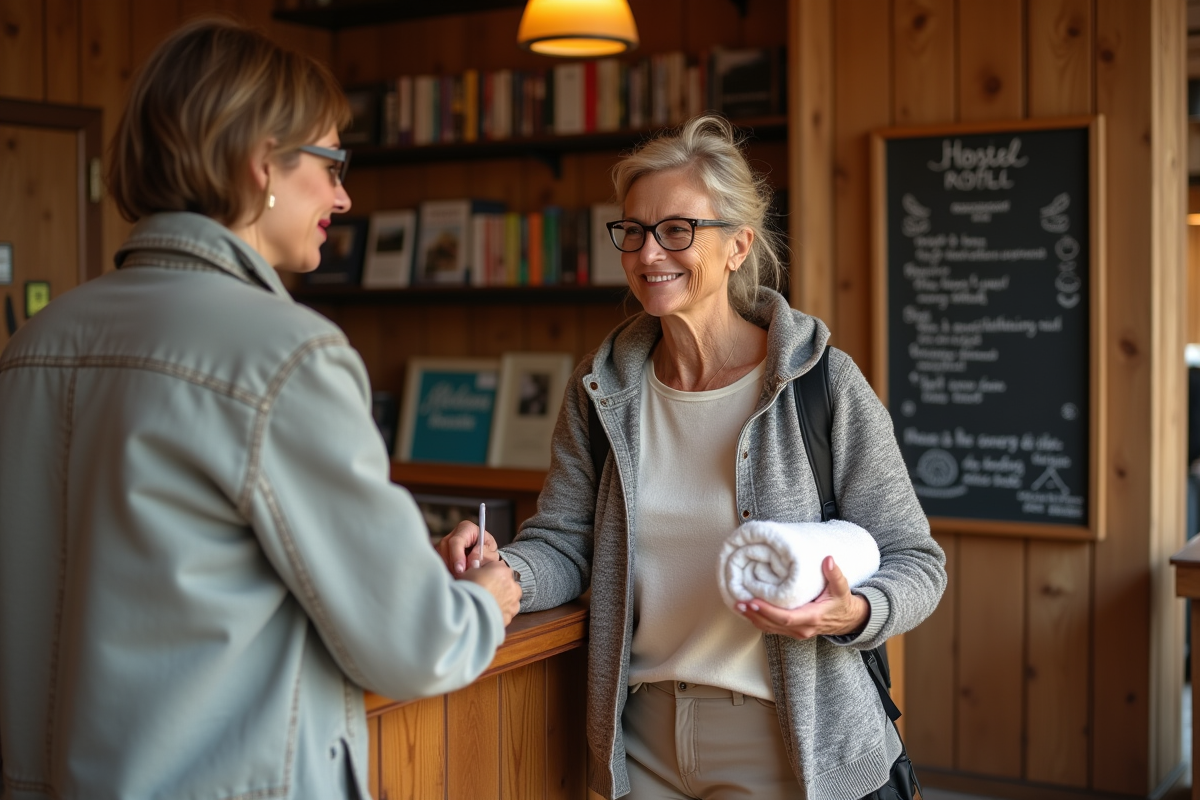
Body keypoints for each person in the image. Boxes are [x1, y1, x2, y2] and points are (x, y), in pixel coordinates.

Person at [0, 18, 520, 800]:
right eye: (332, 161)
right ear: (261, 165)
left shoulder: (35, 343)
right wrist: (484, 601)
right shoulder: (288, 354)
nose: (343, 196)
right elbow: (416, 647)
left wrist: (403, 563)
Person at [439, 115, 947, 800]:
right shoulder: (601, 389)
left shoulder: (820, 383)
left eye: (678, 230)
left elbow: (916, 561)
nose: (650, 253)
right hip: (640, 738)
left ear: (739, 245)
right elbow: (564, 542)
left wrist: (850, 614)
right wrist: (505, 573)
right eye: (635, 231)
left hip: (785, 741)